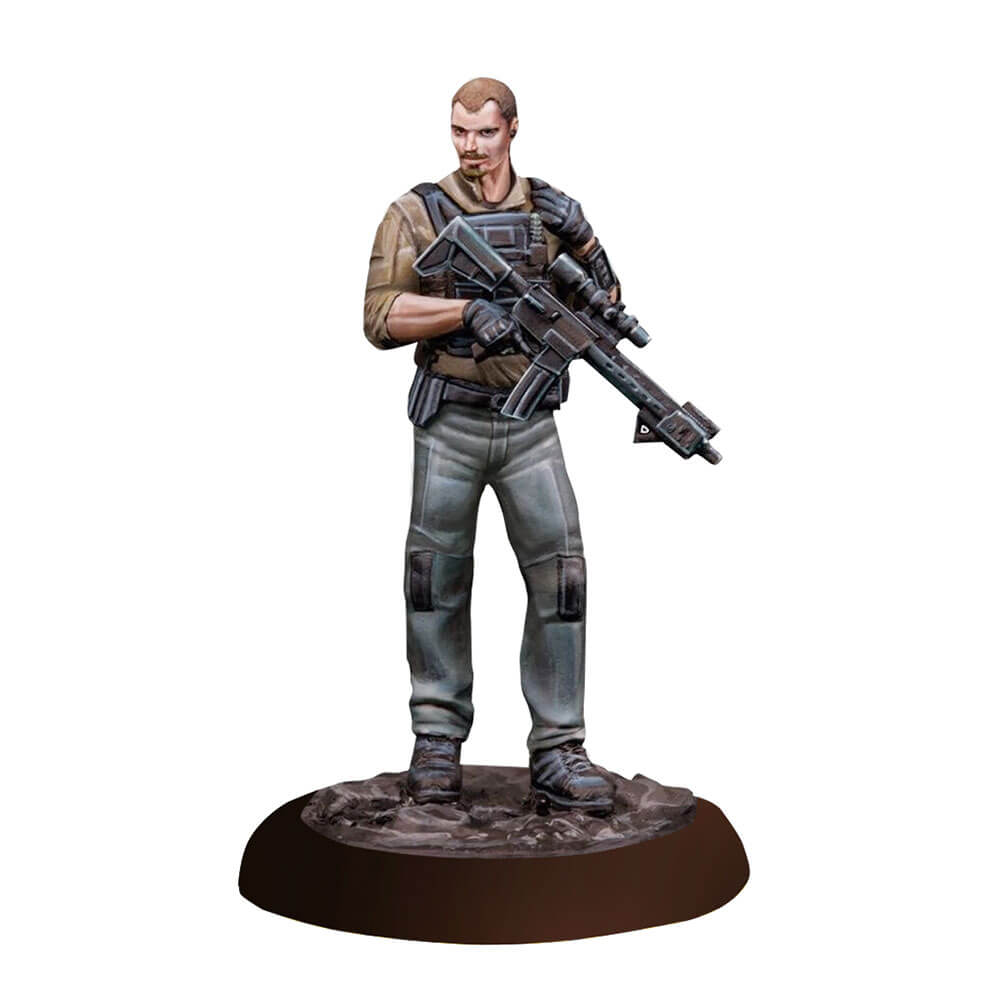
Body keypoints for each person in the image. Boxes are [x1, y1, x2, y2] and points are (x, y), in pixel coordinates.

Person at [363, 78, 623, 813]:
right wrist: (464, 312)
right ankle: (437, 739)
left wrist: (587, 244)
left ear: (512, 128)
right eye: (459, 132)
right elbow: (379, 315)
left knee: (562, 578)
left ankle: (559, 747)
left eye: (484, 132)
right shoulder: (416, 212)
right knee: (433, 579)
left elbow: (606, 308)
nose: (471, 148)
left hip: (530, 426)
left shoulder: (551, 212)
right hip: (449, 421)